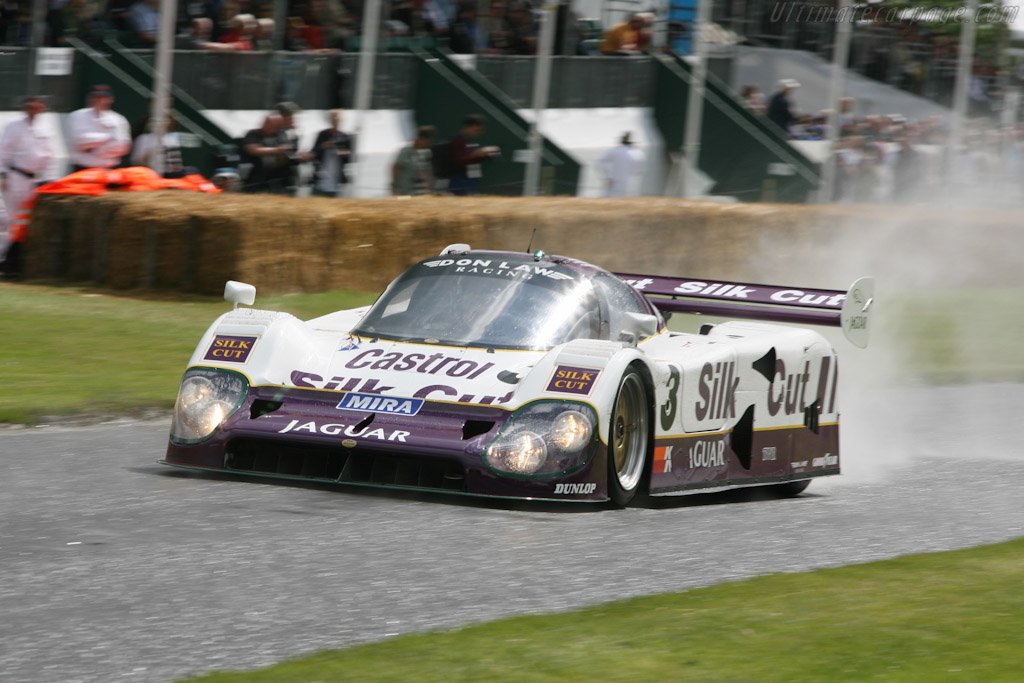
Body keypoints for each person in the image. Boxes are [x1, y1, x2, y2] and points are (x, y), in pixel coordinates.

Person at [0, 96, 53, 272]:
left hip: (34, 179)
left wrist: (47, 179)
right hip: (16, 176)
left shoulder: (43, 129)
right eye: (31, 106)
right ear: (25, 107)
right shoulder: (14, 125)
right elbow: (4, 149)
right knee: (10, 218)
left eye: (38, 106)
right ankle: (5, 257)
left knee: (25, 221)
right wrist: (3, 173)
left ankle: (16, 258)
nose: (34, 109)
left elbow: (48, 156)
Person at [67, 84, 132, 172]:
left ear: (111, 99)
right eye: (96, 97)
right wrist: (110, 138)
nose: (99, 100)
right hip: (81, 169)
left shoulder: (119, 119)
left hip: (109, 170)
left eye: (104, 97)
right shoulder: (77, 115)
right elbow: (79, 141)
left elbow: (123, 146)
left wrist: (93, 149)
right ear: (89, 98)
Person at [446, 114, 499, 196]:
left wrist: (484, 155)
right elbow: (460, 162)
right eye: (478, 129)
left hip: (469, 180)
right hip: (459, 180)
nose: (479, 132)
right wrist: (476, 154)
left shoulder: (470, 141)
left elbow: (472, 161)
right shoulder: (457, 141)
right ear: (470, 127)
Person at [240, 113, 291, 193]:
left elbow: (285, 150)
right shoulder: (253, 134)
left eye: (277, 125)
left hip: (276, 175)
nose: (274, 128)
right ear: (265, 123)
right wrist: (276, 150)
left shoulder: (280, 135)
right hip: (255, 174)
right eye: (272, 125)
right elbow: (253, 150)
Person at [310, 109, 354, 197]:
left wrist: (339, 150)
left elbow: (351, 157)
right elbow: (314, 153)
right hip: (320, 180)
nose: (335, 122)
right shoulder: (322, 135)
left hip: (337, 182)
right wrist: (323, 147)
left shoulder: (346, 137)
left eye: (337, 119)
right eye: (333, 119)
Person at [597, 131, 645, 197]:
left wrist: (607, 176)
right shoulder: (638, 153)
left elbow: (599, 162)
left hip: (615, 182)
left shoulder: (614, 150)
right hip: (630, 184)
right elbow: (639, 171)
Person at [392, 125, 435, 196]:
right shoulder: (406, 150)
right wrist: (395, 187)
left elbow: (427, 173)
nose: (428, 143)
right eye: (428, 141)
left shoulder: (426, 152)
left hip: (420, 192)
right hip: (405, 191)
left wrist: (430, 189)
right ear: (422, 139)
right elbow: (395, 168)